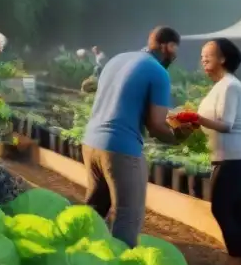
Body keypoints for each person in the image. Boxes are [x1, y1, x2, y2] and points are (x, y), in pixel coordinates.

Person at [82, 26, 192, 247]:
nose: (175, 56)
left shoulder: (117, 60)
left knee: (93, 212)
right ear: (167, 46)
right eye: (175, 51)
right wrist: (177, 137)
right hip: (121, 150)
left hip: (91, 143)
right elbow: (156, 125)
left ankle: (78, 259)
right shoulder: (158, 72)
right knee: (127, 216)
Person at [192, 38, 241, 265]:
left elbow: (225, 124)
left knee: (222, 209)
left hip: (238, 157)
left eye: (208, 54)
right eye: (202, 55)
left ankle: (238, 264)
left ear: (223, 58)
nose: (203, 58)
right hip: (232, 156)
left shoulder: (230, 86)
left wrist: (194, 119)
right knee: (235, 210)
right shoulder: (222, 85)